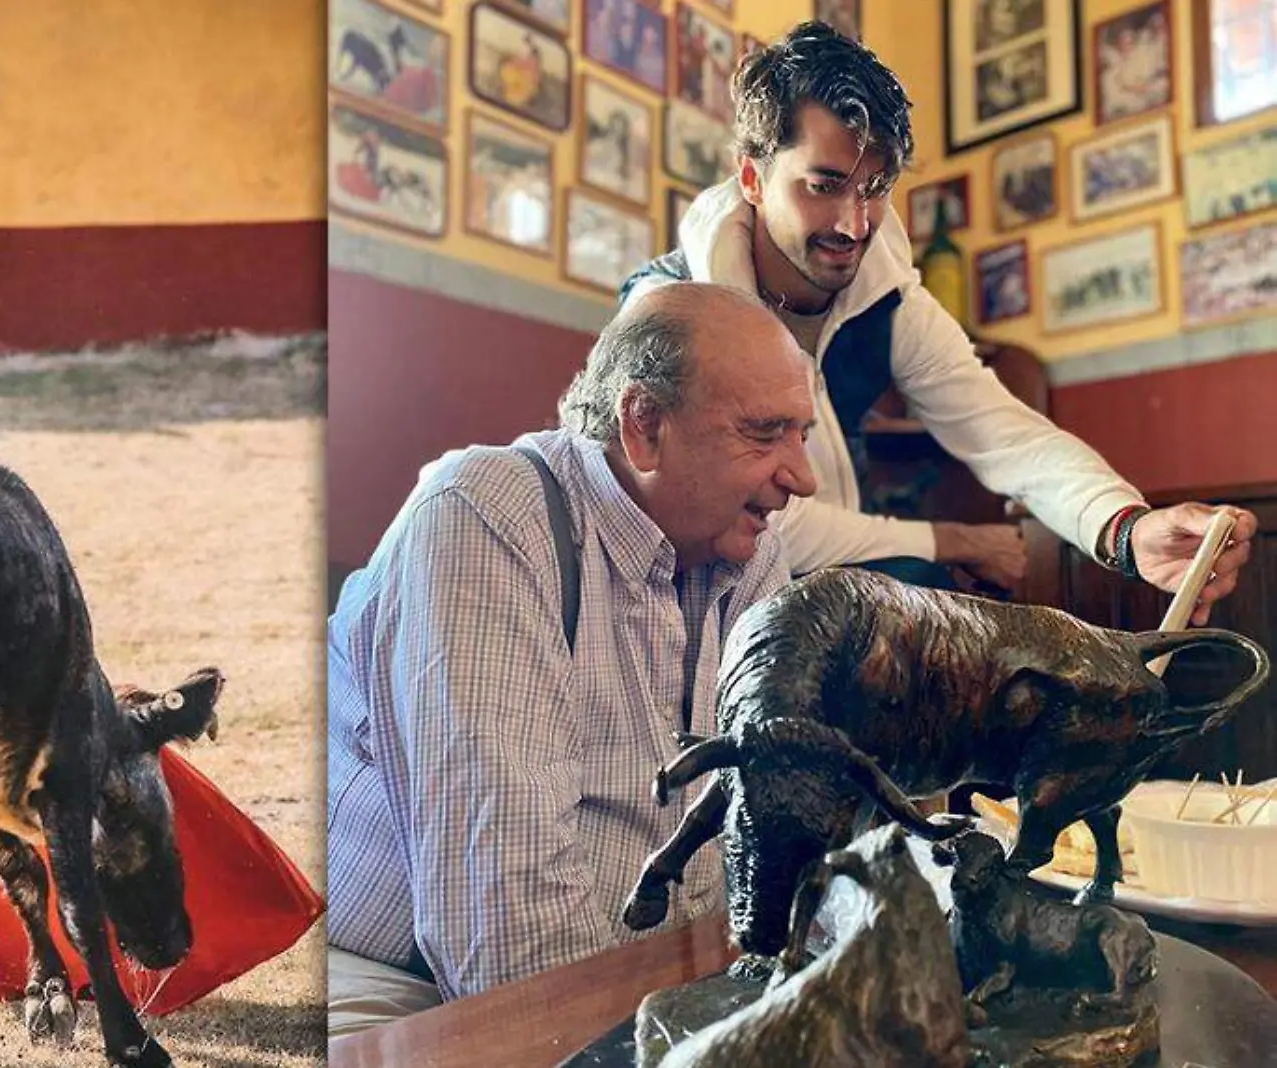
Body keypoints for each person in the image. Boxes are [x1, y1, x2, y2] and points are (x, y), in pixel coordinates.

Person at [623, 22, 1254, 614]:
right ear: (754, 179)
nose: (854, 224)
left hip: (822, 604)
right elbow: (764, 530)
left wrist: (1129, 529)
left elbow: (1006, 434)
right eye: (824, 185)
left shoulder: (887, 300)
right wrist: (955, 541)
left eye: (876, 187)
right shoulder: (665, 313)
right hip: (685, 621)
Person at [325, 282, 817, 1034]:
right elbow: (506, 944)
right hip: (408, 978)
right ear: (644, 424)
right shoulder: (486, 519)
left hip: (645, 974)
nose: (801, 477)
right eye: (764, 432)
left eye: (802, 435)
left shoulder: (751, 557)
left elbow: (767, 835)